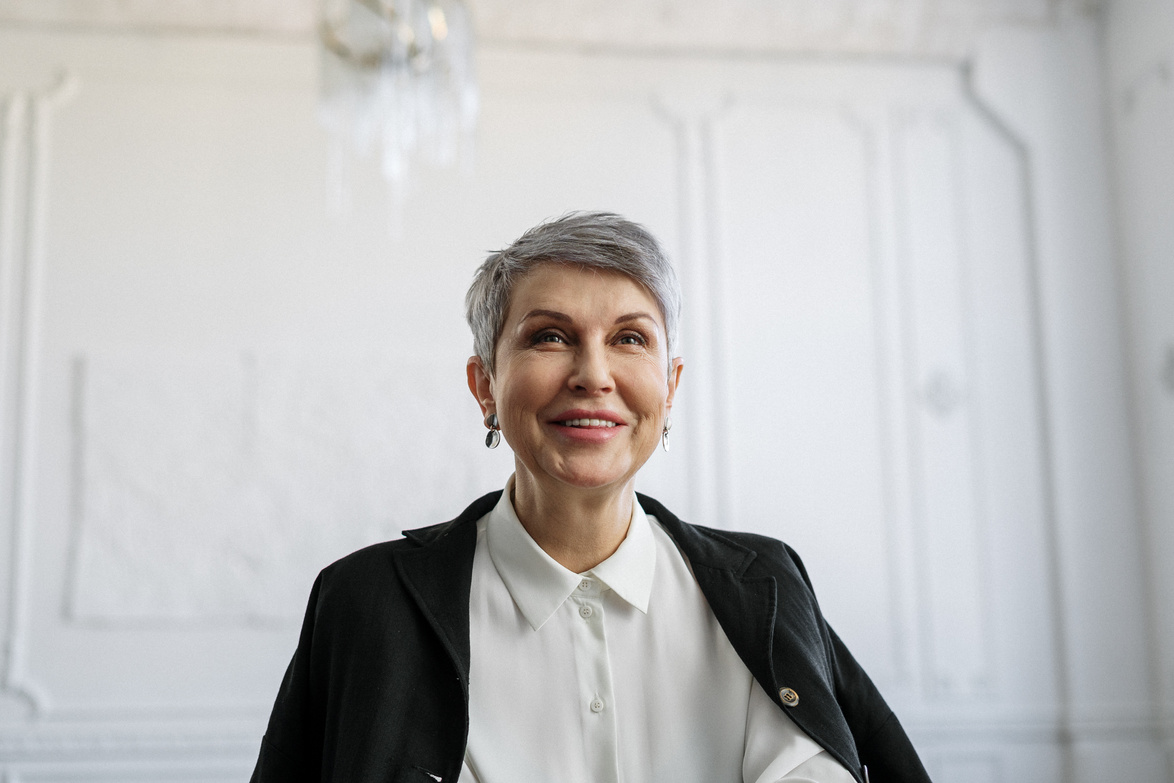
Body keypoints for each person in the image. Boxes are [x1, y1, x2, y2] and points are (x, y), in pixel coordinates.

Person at [250, 212, 931, 783]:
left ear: (671, 387)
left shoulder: (769, 584)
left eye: (630, 338)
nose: (593, 374)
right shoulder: (363, 601)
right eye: (550, 336)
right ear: (485, 384)